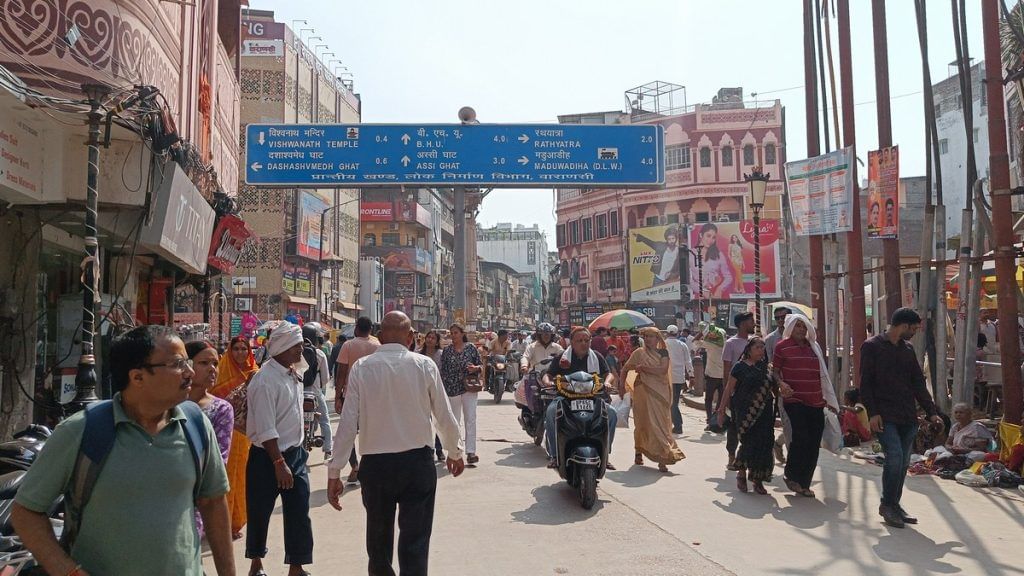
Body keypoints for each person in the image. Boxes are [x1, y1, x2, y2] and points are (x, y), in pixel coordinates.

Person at [12, 325, 233, 576]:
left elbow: (214, 503)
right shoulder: (82, 430)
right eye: (178, 363)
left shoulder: (196, 425)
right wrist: (67, 571)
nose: (190, 372)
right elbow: (26, 512)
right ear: (137, 377)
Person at [328, 311, 465, 576]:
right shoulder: (424, 365)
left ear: (379, 337)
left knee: (378, 544)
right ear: (412, 336)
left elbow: (347, 423)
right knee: (415, 541)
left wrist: (335, 470)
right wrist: (454, 451)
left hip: (376, 467)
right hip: (417, 464)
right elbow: (443, 414)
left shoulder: (362, 368)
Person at [860, 307, 943, 529]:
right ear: (904, 326)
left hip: (907, 415)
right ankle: (887, 504)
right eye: (914, 328)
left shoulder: (907, 350)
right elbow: (865, 382)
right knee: (894, 457)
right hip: (884, 416)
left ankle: (894, 505)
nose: (915, 333)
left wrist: (932, 412)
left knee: (903, 462)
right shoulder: (872, 347)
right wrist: (872, 413)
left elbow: (917, 382)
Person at [245, 322, 315, 576]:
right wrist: (278, 463)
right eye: (297, 346)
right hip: (268, 456)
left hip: (295, 454)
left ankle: (296, 566)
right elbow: (265, 428)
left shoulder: (293, 372)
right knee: (260, 511)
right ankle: (256, 563)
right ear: (283, 347)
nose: (301, 351)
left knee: (299, 511)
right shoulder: (265, 380)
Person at [773, 315, 839, 499]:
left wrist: (828, 400)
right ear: (791, 328)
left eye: (804, 326)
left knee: (813, 442)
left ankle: (804, 483)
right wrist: (781, 384)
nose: (801, 330)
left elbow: (823, 375)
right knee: (801, 437)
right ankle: (791, 474)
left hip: (816, 401)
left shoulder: (813, 348)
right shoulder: (781, 347)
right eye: (797, 326)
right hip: (794, 400)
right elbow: (775, 371)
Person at [543, 327, 618, 469]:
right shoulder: (562, 358)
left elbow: (608, 373)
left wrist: (607, 382)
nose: (583, 343)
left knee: (612, 414)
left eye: (586, 340)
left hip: (593, 399)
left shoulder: (596, 356)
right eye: (579, 341)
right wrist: (548, 382)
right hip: (565, 399)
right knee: (551, 412)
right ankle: (554, 455)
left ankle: (605, 454)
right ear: (572, 342)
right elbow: (548, 374)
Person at [185, 340, 234, 538]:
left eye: (215, 363)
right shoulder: (164, 404)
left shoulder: (220, 409)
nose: (212, 369)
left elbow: (218, 461)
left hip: (196, 495)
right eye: (204, 363)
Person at [212, 335, 258, 540]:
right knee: (226, 476)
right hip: (224, 434)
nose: (240, 353)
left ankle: (237, 520)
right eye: (236, 349)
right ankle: (223, 523)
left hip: (247, 434)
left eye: (244, 349)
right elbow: (211, 399)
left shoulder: (256, 372)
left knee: (244, 476)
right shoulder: (222, 371)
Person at [716, 337, 776, 494]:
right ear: (749, 349)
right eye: (757, 347)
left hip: (765, 411)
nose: (761, 350)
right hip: (745, 411)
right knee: (749, 442)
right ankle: (741, 473)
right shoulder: (739, 367)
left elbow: (774, 388)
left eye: (763, 347)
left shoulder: (768, 368)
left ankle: (758, 479)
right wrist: (721, 410)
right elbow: (729, 389)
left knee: (765, 443)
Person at [622, 327, 685, 472]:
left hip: (660, 392)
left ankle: (664, 457)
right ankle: (638, 452)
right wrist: (621, 387)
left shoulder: (664, 353)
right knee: (642, 422)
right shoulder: (639, 353)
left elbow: (662, 370)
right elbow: (626, 368)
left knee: (661, 424)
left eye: (652, 336)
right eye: (647, 336)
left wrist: (643, 368)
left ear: (658, 339)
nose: (649, 339)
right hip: (641, 390)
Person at [335, 316, 381, 483]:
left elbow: (341, 373)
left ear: (356, 328)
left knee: (348, 433)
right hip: (373, 396)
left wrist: (338, 396)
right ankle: (371, 467)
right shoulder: (378, 345)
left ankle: (354, 465)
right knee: (373, 432)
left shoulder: (348, 345)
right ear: (371, 329)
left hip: (351, 395)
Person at [439, 323, 484, 464]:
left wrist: (475, 368)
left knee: (470, 419)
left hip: (469, 387)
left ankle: (471, 452)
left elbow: (481, 366)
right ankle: (455, 451)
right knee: (454, 421)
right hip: (452, 389)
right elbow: (443, 370)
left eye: (456, 333)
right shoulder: (447, 351)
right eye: (451, 333)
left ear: (462, 334)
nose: (453, 336)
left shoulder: (471, 348)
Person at [721, 312, 756, 471]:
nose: (754, 324)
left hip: (754, 392)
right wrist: (726, 395)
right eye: (751, 321)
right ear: (742, 324)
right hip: (736, 392)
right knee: (733, 426)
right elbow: (726, 372)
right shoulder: (731, 343)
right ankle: (731, 457)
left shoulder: (756, 342)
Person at [301, 323, 333, 461]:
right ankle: (328, 449)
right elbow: (326, 377)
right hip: (315, 393)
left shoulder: (296, 351)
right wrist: (319, 386)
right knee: (325, 420)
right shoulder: (319, 354)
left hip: (299, 393)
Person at [764, 307, 792, 464]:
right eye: (778, 318)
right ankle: (793, 461)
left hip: (801, 385)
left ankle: (779, 443)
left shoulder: (801, 336)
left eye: (784, 317)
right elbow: (769, 365)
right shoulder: (771, 340)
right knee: (787, 422)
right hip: (782, 387)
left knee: (799, 423)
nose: (781, 320)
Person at [693, 321, 726, 432]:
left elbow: (694, 342)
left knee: (709, 399)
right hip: (723, 376)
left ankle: (710, 420)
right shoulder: (726, 343)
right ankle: (716, 421)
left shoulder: (710, 344)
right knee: (721, 401)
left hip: (712, 376)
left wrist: (701, 332)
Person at [690, 222, 732, 299]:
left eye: (713, 237)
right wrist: (702, 291)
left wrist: (720, 289)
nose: (711, 240)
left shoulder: (718, 254)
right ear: (701, 235)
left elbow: (728, 276)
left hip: (716, 294)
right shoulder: (690, 254)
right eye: (708, 236)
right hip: (698, 296)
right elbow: (688, 279)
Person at [664, 324, 693, 434]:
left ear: (667, 333)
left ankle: (677, 425)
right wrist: (692, 375)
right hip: (678, 378)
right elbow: (688, 362)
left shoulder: (663, 344)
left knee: (669, 403)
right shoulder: (682, 345)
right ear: (677, 333)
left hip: (665, 377)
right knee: (674, 402)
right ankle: (676, 424)